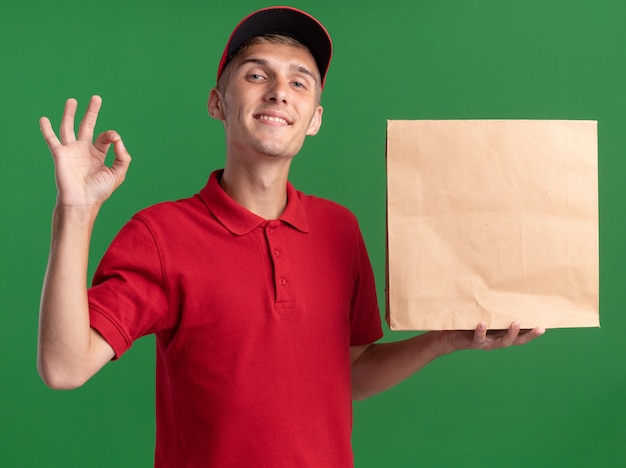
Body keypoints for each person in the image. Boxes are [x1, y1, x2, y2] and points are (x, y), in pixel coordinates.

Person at [37, 6, 545, 467]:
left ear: (315, 118)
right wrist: (75, 212)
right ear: (217, 102)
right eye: (256, 74)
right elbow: (65, 367)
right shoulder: (161, 234)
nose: (279, 91)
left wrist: (444, 339)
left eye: (300, 83)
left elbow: (350, 371)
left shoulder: (339, 229)